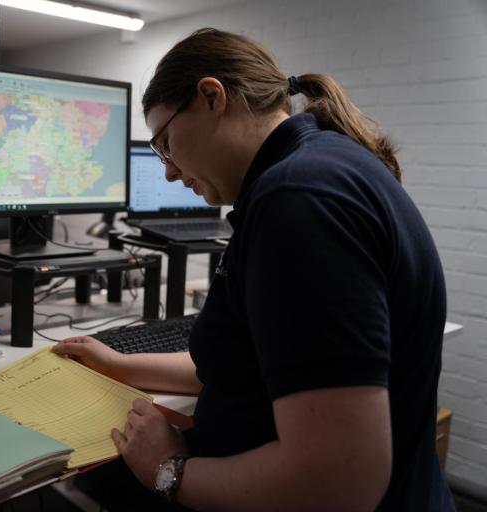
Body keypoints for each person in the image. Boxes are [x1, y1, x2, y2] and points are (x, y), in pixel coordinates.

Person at [52, 28, 453, 511]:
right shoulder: (323, 167)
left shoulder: (298, 200)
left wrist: (167, 470)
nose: (169, 171)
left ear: (211, 97)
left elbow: (342, 483)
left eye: (166, 144)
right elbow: (253, 365)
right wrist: (119, 365)